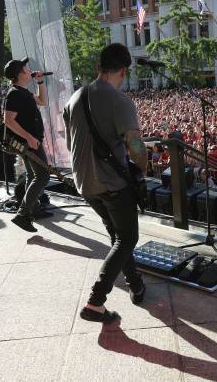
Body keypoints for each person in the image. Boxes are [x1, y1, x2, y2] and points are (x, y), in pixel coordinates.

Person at [64, 43, 146, 324]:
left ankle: (136, 285)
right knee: (127, 238)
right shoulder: (118, 100)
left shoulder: (74, 98)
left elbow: (69, 143)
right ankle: (96, 301)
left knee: (118, 238)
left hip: (84, 184)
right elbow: (135, 146)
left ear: (98, 67)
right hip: (112, 184)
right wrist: (141, 174)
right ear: (123, 71)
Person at [2, 57, 49, 233]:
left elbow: (43, 101)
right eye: (26, 68)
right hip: (28, 143)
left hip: (30, 141)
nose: (29, 70)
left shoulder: (23, 91)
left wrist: (40, 82)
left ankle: (32, 209)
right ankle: (23, 215)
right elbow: (8, 120)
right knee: (43, 176)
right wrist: (29, 137)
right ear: (20, 74)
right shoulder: (14, 93)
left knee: (32, 175)